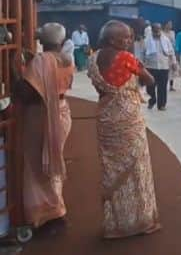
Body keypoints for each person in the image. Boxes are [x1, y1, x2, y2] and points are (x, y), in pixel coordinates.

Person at [88, 21, 161, 238]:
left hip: (106, 118)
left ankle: (116, 223)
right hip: (128, 118)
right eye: (125, 38)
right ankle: (141, 220)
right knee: (137, 168)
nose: (128, 41)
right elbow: (150, 79)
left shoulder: (93, 58)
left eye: (129, 37)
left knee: (112, 169)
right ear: (112, 39)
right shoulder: (126, 58)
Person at [14, 23, 74, 228]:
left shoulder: (41, 61)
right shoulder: (67, 59)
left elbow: (28, 93)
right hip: (62, 111)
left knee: (37, 165)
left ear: (41, 40)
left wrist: (17, 74)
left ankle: (49, 214)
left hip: (42, 115)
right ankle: (56, 209)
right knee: (53, 160)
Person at [144, 23, 177, 111]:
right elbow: (142, 53)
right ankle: (152, 100)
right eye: (155, 30)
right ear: (152, 31)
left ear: (160, 30)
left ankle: (162, 105)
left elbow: (171, 52)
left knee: (162, 87)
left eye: (158, 30)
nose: (157, 32)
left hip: (164, 67)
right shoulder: (147, 40)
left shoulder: (165, 39)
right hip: (150, 67)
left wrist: (174, 62)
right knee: (150, 87)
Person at [163, 21, 178, 91]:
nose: (170, 26)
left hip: (171, 53)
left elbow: (174, 43)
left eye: (171, 25)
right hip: (164, 54)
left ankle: (171, 86)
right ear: (165, 25)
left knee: (172, 70)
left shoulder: (172, 33)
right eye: (168, 25)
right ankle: (164, 84)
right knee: (165, 70)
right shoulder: (162, 33)